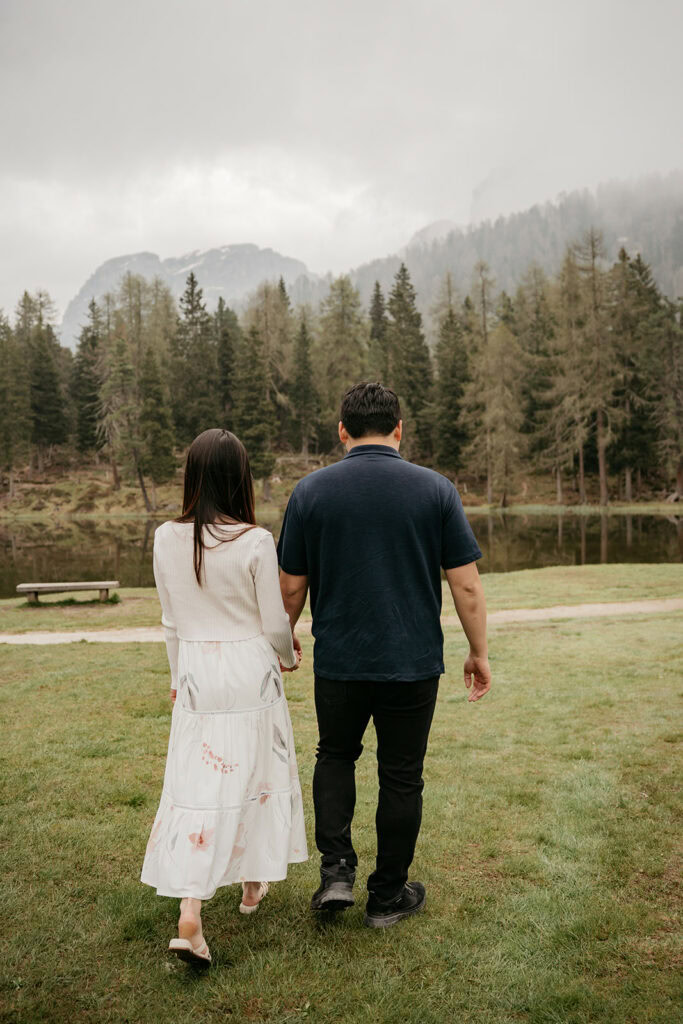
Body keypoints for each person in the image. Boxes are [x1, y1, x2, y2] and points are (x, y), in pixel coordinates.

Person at [277, 382, 490, 929]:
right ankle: (388, 896)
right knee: (401, 775)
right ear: (399, 429)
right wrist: (478, 651)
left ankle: (337, 874)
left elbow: (290, 587)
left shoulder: (310, 492)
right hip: (413, 662)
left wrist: (286, 633)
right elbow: (465, 587)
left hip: (342, 661)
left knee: (335, 755)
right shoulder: (436, 490)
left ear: (342, 431)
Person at [141, 428, 307, 965]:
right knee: (256, 773)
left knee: (201, 782)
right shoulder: (254, 541)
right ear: (241, 479)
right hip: (249, 669)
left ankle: (203, 904)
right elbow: (274, 621)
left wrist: (177, 675)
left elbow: (170, 621)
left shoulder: (166, 538)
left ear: (192, 476)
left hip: (196, 671)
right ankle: (240, 888)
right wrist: (287, 653)